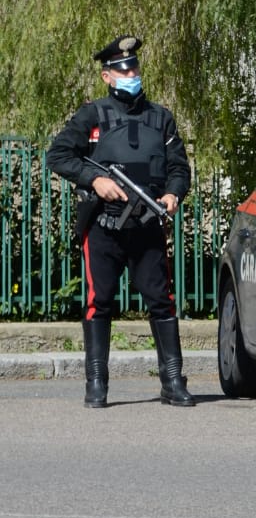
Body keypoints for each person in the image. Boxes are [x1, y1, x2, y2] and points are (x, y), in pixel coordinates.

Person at [46, 36, 195, 409]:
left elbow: (179, 168)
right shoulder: (92, 115)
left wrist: (173, 195)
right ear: (107, 76)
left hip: (147, 225)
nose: (131, 74)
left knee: (161, 302)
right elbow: (58, 155)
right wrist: (94, 180)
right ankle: (96, 384)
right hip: (104, 226)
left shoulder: (161, 117)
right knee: (100, 302)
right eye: (122, 70)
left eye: (134, 68)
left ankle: (173, 381)